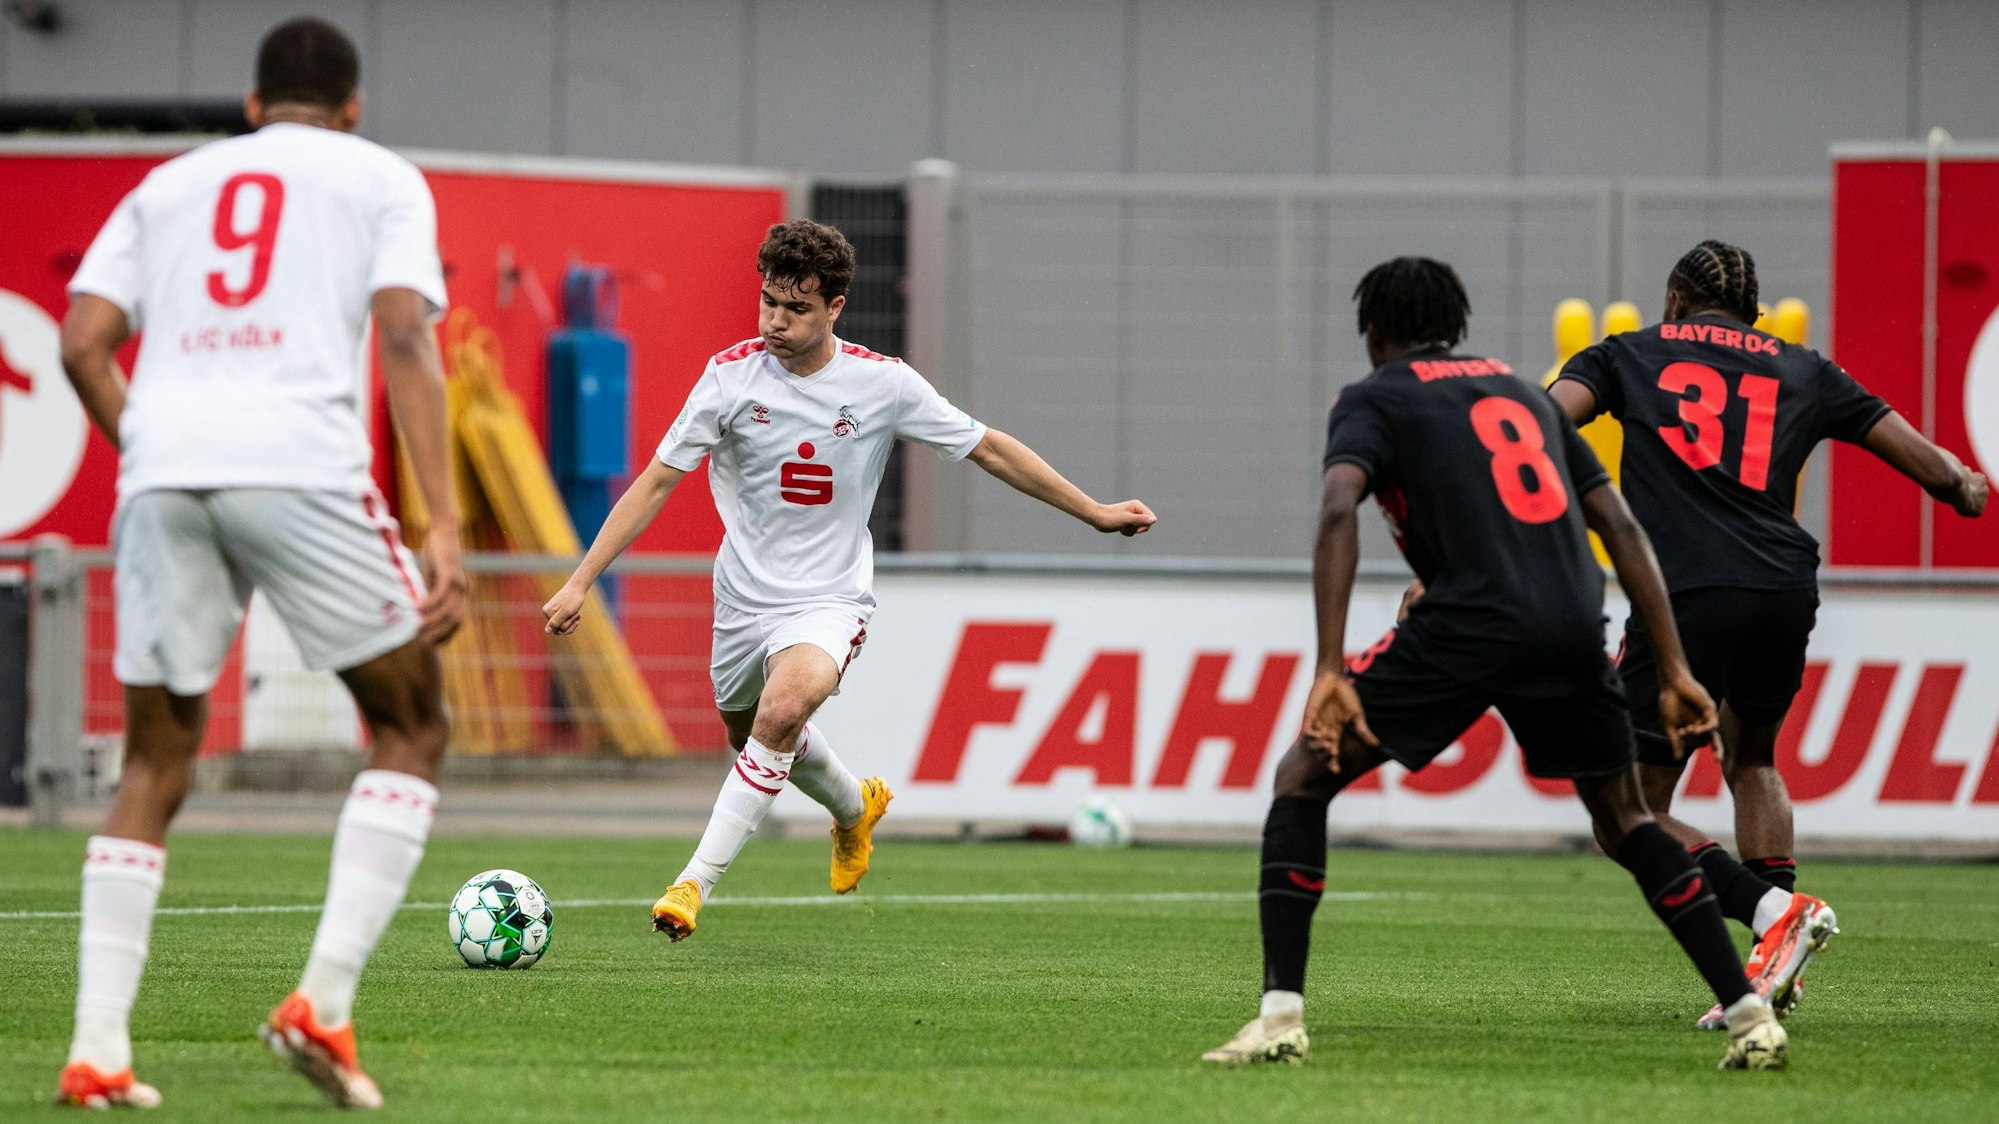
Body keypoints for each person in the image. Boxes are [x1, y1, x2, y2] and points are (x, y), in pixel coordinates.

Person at [1203, 257, 1789, 1072]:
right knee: (1626, 820)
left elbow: (1339, 506)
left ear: (1374, 333)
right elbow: (1618, 524)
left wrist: (1330, 663)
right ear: (1456, 325)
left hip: (1466, 624)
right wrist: (1678, 668)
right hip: (1569, 623)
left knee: (1303, 776)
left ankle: (1277, 1019)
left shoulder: (1374, 397)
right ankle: (1748, 1014)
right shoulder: (1521, 392)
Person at [55, 18, 465, 1110]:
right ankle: (321, 999)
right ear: (352, 108)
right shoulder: (382, 177)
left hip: (164, 470)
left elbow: (81, 340)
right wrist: (444, 521)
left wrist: (147, 442)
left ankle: (98, 1049)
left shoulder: (167, 185)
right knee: (413, 722)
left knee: (154, 758)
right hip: (298, 461)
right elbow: (405, 333)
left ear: (249, 104)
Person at [542, 219, 1155, 939]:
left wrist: (1092, 512)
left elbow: (986, 448)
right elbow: (655, 483)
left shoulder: (881, 384)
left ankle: (690, 885)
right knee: (755, 736)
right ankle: (854, 808)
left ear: (835, 307)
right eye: (768, 301)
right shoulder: (728, 378)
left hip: (828, 599)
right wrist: (581, 580)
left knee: (781, 712)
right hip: (741, 597)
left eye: (795, 308)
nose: (775, 320)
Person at [1550, 240, 1987, 1027]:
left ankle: (1768, 914)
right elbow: (1934, 472)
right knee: (1751, 755)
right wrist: (1966, 486)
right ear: (1754, 315)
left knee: (1626, 815)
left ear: (1675, 303)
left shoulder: (1626, 353)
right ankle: (1773, 959)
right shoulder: (1802, 367)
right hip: (1783, 587)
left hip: (1680, 592)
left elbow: (1544, 424)